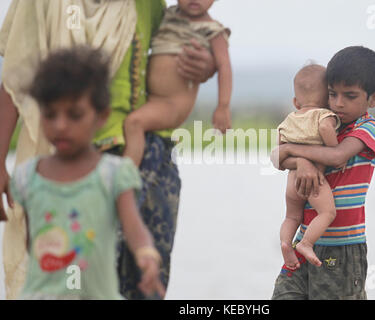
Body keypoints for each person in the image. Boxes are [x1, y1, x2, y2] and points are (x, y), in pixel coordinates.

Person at [0, 0, 215, 300]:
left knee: (144, 287)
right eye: (53, 115)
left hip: (149, 158)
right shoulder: (40, 4)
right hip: (67, 158)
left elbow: (174, 51)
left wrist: (204, 62)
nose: (61, 121)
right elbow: (15, 81)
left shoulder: (147, 4)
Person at [8, 47, 165, 300]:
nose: (60, 125)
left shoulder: (113, 175)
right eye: (50, 115)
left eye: (74, 115)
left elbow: (134, 227)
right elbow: (32, 242)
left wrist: (146, 254)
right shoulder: (28, 177)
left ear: (101, 116)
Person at [271, 46, 375, 300]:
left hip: (342, 249)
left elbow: (337, 156)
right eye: (332, 94)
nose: (338, 102)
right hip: (303, 242)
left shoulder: (368, 128)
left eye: (350, 95)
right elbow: (276, 158)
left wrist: (291, 149)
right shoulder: (323, 122)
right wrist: (302, 163)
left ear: (373, 98)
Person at [123, 0, 232, 167]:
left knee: (134, 123)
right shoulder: (168, 16)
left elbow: (224, 66)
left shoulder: (212, 30)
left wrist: (222, 106)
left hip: (172, 105)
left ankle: (124, 178)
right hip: (151, 98)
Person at [277, 64, 341, 270]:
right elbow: (324, 129)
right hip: (314, 182)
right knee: (328, 213)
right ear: (327, 99)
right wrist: (334, 149)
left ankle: (286, 243)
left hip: (292, 181)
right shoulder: (323, 116)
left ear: (296, 101)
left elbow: (279, 149)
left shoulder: (288, 120)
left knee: (291, 216)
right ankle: (306, 243)